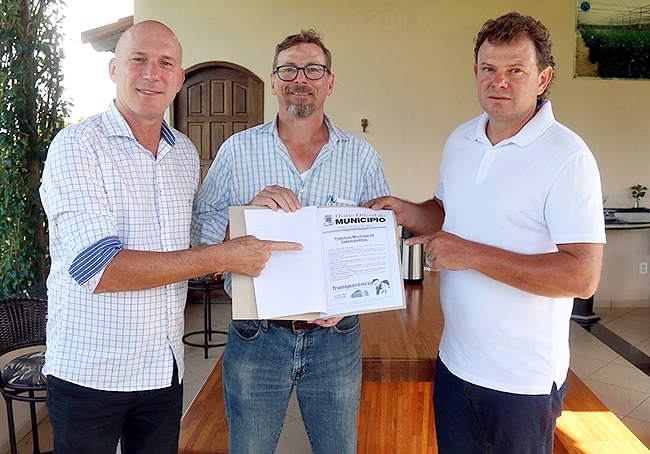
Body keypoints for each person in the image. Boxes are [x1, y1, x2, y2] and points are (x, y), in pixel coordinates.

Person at [39, 20, 300, 454]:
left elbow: (190, 242)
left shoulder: (183, 152)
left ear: (179, 78)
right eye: (138, 60)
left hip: (162, 370)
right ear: (113, 69)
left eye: (165, 64)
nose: (151, 73)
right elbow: (98, 270)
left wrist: (248, 219)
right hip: (91, 373)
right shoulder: (77, 147)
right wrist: (226, 254)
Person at [366, 12, 605, 454]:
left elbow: (582, 276)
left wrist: (472, 255)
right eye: (489, 69)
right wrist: (406, 211)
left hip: (523, 383)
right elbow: (445, 214)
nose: (500, 82)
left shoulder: (568, 156)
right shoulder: (462, 139)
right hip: (455, 367)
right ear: (475, 73)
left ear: (543, 77)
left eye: (516, 70)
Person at [191, 29, 390, 454]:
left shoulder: (362, 157)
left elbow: (378, 243)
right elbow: (200, 238)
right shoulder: (236, 151)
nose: (301, 77)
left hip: (337, 336)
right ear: (275, 79)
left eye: (313, 69)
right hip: (256, 334)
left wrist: (349, 301)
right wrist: (247, 217)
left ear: (329, 81)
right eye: (289, 69)